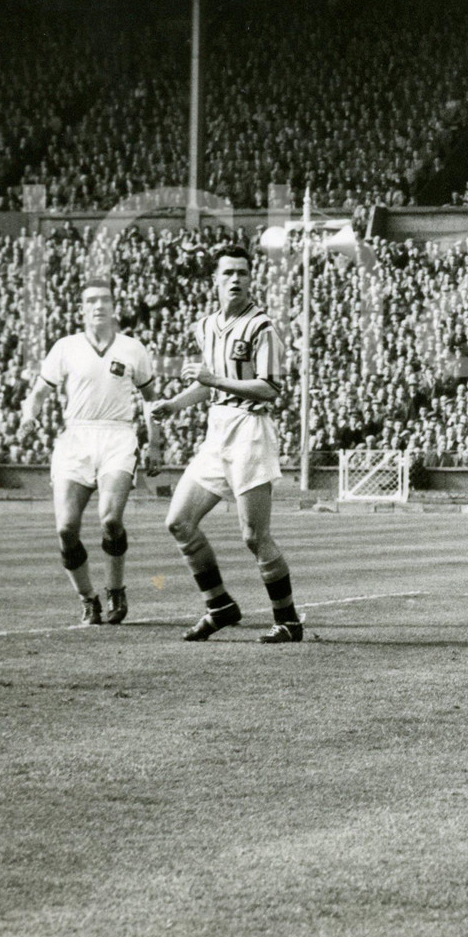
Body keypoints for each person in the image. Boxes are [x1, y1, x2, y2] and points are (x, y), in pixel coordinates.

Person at [150, 245, 302, 644]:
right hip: (217, 430)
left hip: (250, 430)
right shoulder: (205, 326)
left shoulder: (261, 327)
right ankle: (219, 606)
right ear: (215, 280)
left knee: (254, 536)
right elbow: (210, 385)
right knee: (179, 522)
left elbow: (269, 388)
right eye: (229, 273)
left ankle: (288, 621)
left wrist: (213, 380)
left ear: (251, 280)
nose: (236, 279)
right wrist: (175, 404)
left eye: (242, 273)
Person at [19, 279, 157, 625]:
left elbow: (151, 399)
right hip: (76, 438)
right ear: (81, 309)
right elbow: (38, 393)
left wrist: (155, 442)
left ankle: (116, 590)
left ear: (114, 307)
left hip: (118, 436)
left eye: (104, 300)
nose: (99, 306)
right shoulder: (65, 347)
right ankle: (88, 599)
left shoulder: (132, 348)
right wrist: (28, 417)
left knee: (110, 519)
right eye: (91, 301)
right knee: (66, 528)